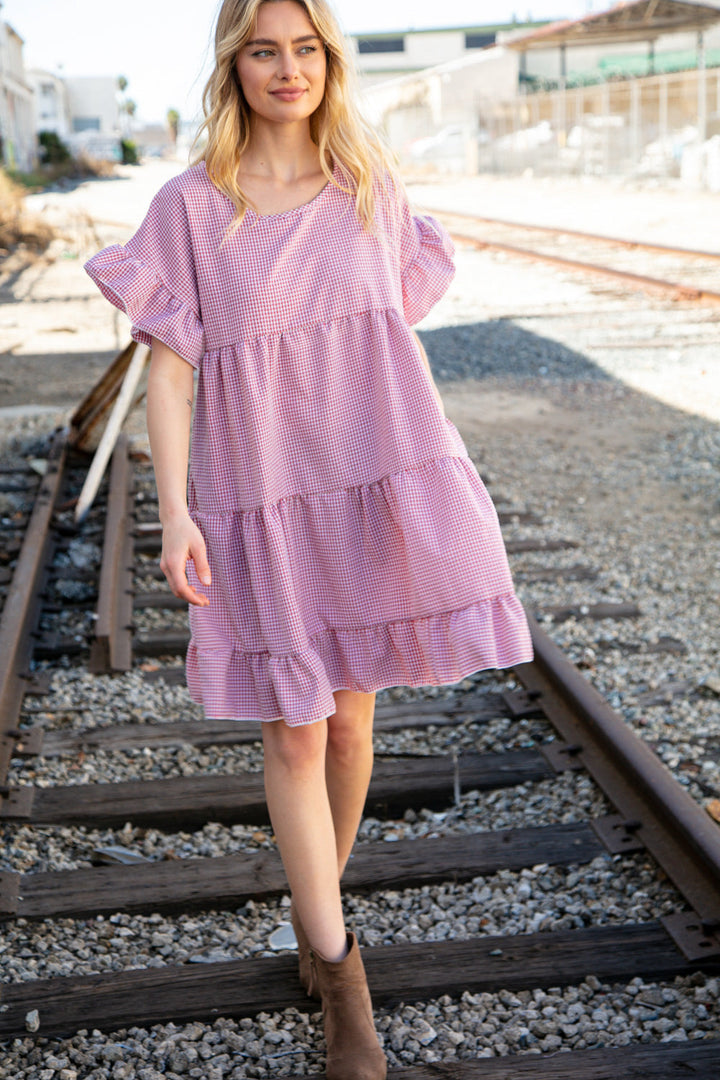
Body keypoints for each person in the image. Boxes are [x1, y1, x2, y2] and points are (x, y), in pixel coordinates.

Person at [85, 1, 533, 1075]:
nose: (288, 69)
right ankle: (342, 979)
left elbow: (379, 343)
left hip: (368, 484)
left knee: (347, 729)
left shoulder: (371, 191)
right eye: (263, 50)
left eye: (306, 49)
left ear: (329, 62)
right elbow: (173, 369)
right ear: (233, 67)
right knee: (293, 729)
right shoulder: (192, 208)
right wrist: (178, 509)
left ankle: (313, 909)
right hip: (262, 496)